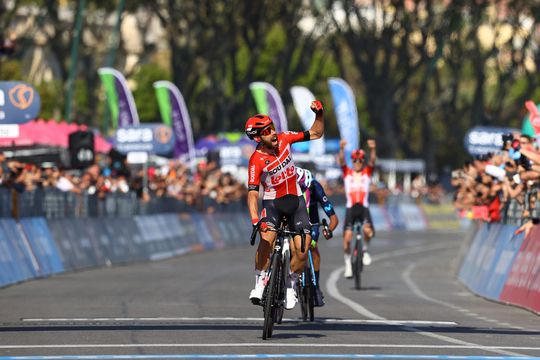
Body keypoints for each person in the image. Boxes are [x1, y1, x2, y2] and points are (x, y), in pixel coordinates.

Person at [246, 100, 324, 310]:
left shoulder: (285, 139)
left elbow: (315, 134)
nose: (273, 133)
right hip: (272, 204)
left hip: (296, 202)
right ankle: (259, 282)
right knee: (267, 240)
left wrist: (319, 115)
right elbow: (253, 194)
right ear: (257, 137)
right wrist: (255, 220)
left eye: (272, 128)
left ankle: (291, 285)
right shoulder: (256, 160)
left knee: (303, 248)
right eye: (267, 131)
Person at [296, 167, 339, 306]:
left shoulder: (316, 188)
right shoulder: (291, 187)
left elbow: (333, 218)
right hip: (295, 220)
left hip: (312, 222)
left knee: (313, 248)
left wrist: (329, 230)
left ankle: (316, 287)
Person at [338, 139, 377, 278]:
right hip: (351, 208)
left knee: (368, 231)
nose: (357, 163)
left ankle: (365, 250)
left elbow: (373, 161)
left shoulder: (367, 172)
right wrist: (342, 148)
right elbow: (341, 161)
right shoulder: (347, 172)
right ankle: (348, 265)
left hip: (364, 207)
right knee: (347, 239)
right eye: (355, 160)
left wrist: (373, 149)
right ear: (352, 161)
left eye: (360, 160)